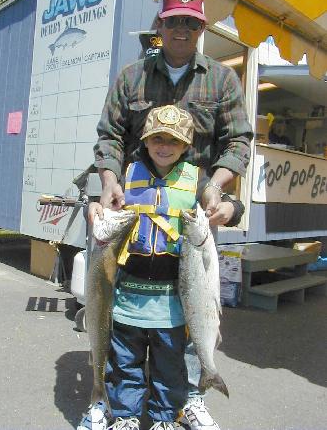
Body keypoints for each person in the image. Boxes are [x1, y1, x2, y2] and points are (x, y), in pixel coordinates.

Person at [85, 0, 252, 430]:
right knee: (122, 310)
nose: (182, 29)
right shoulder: (131, 76)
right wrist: (106, 183)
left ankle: (188, 396)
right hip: (132, 203)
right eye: (174, 20)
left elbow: (238, 141)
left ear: (202, 27)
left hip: (196, 204)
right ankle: (112, 399)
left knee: (195, 308)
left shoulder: (222, 78)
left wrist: (215, 188)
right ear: (161, 23)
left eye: (191, 22)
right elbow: (109, 136)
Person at [78, 106, 245, 430]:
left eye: (173, 140)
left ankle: (165, 419)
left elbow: (232, 205)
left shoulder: (198, 181)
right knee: (125, 364)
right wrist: (95, 206)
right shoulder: (127, 175)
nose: (164, 145)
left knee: (170, 368)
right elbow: (100, 203)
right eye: (157, 138)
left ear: (185, 146)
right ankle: (125, 416)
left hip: (173, 303)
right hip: (127, 297)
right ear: (146, 140)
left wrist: (229, 208)